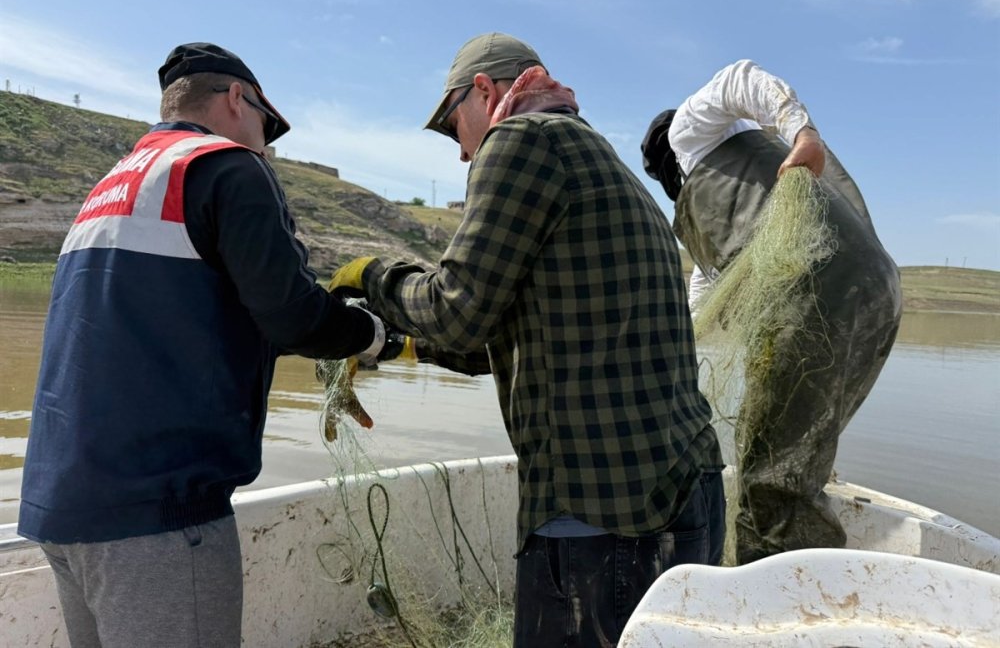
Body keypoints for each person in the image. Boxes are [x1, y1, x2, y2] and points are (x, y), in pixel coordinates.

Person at [328, 32, 726, 648]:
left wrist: (373, 275)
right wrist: (398, 345)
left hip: (601, 519)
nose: (462, 153)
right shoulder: (605, 163)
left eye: (452, 123)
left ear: (484, 92)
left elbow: (455, 309)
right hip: (689, 496)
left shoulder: (520, 139)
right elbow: (511, 330)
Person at [18, 42, 401, 648]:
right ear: (234, 98)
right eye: (266, 125)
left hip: (59, 504)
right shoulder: (227, 166)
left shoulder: (111, 187)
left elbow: (183, 323)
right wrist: (375, 335)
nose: (267, 144)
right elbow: (292, 314)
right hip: (157, 513)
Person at [640, 59, 902, 565]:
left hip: (819, 297)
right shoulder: (711, 240)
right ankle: (802, 574)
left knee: (770, 484)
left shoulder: (690, 131)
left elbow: (740, 78)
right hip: (879, 295)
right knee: (797, 452)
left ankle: (780, 605)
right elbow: (695, 322)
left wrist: (802, 130)